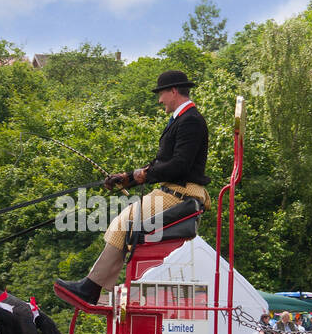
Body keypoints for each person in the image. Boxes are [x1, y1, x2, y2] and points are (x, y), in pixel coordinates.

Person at [56, 70, 210, 304]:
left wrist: (143, 175)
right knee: (123, 222)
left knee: (124, 222)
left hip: (181, 192)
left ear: (174, 91)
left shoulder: (191, 121)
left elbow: (179, 165)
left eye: (161, 94)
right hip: (173, 189)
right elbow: (165, 163)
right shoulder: (183, 119)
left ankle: (91, 287)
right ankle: (93, 286)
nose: (159, 100)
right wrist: (128, 177)